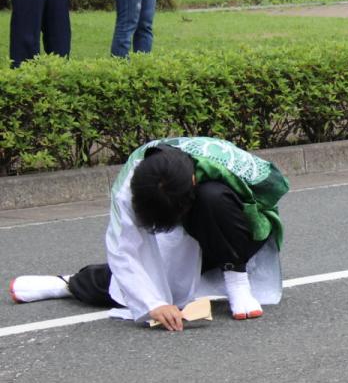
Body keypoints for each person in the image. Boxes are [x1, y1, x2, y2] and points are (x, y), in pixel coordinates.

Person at [9, 137, 289, 329]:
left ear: (191, 181)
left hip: (233, 234)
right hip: (175, 241)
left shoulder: (221, 160)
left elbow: (272, 192)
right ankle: (69, 284)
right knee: (134, 285)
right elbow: (124, 250)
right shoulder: (129, 187)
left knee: (213, 197)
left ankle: (236, 280)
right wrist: (153, 303)